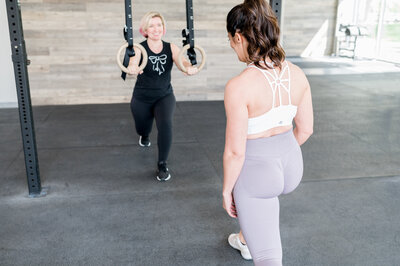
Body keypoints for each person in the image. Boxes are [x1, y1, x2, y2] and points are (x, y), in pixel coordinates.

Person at [222, 0, 314, 265]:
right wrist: (281, 153)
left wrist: (227, 191)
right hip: (292, 164)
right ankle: (245, 238)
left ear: (239, 37)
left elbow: (236, 152)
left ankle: (255, 243)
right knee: (264, 200)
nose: (230, 45)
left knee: (269, 258)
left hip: (258, 172)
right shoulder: (297, 74)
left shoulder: (238, 86)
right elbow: (306, 129)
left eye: (230, 39)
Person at [126, 11, 199, 181]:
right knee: (142, 127)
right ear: (145, 29)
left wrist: (189, 67)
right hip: (141, 98)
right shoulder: (139, 48)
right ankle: (144, 135)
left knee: (165, 124)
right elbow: (133, 63)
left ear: (163, 28)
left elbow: (183, 62)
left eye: (159, 25)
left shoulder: (171, 47)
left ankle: (162, 164)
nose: (156, 29)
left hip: (164, 96)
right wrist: (132, 69)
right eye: (151, 25)